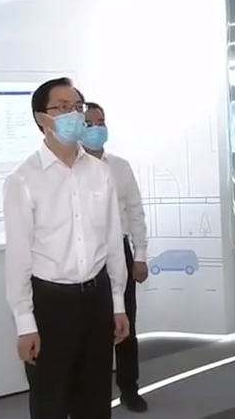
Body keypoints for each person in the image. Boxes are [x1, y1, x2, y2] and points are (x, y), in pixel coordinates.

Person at [4, 77, 129, 419]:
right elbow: (18, 258)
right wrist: (25, 323)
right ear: (42, 117)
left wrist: (118, 303)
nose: (74, 114)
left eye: (77, 107)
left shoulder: (101, 173)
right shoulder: (23, 179)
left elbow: (112, 241)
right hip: (51, 304)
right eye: (62, 108)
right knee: (51, 401)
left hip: (96, 299)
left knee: (95, 399)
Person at [82, 101, 150, 413]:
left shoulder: (120, 167)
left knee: (125, 322)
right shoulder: (71, 170)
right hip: (86, 255)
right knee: (91, 327)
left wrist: (140, 255)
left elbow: (135, 212)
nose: (98, 129)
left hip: (120, 251)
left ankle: (129, 388)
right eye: (90, 124)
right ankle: (91, 392)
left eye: (101, 122)